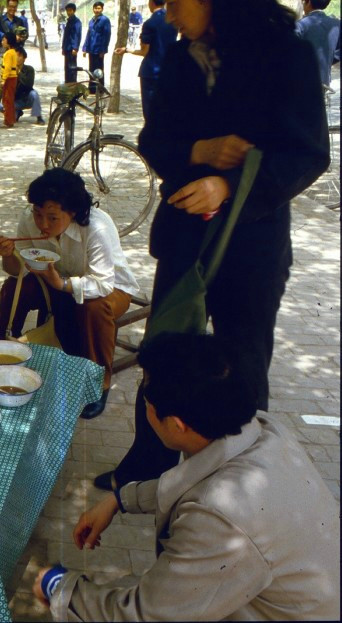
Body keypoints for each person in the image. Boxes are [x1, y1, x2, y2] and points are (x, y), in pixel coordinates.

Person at [95, 0, 330, 491]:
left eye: (178, 3)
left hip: (252, 244)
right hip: (185, 234)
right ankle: (146, 468)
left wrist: (228, 185)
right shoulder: (184, 58)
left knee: (242, 363)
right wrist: (197, 153)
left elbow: (308, 153)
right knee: (163, 353)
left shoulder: (287, 56)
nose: (170, 15)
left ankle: (239, 482)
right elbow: (154, 139)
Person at [33, 333, 341, 621]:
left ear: (177, 425)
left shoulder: (218, 519)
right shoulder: (263, 429)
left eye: (146, 400)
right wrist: (120, 499)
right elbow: (195, 480)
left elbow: (146, 614)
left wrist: (60, 587)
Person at [0, 168, 139, 419]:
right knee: (12, 289)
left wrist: (61, 284)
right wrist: (8, 256)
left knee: (93, 308)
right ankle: (1, 350)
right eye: (38, 214)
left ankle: (98, 384)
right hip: (56, 279)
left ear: (72, 211)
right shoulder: (29, 218)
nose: (42, 224)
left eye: (52, 217)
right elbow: (20, 272)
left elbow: (103, 284)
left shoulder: (96, 227)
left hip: (109, 289)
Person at [114, 0, 179, 120]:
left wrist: (127, 50)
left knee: (150, 113)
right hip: (169, 69)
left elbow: (144, 51)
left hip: (150, 72)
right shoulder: (173, 21)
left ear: (151, 3)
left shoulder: (150, 23)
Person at [0, 0, 26, 112]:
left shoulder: (20, 21)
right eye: (11, 6)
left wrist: (21, 38)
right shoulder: (0, 20)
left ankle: (11, 106)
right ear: (7, 6)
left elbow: (25, 35)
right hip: (3, 53)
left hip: (16, 53)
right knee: (1, 78)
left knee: (14, 79)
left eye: (15, 7)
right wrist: (11, 37)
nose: (13, 9)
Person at [296, 0, 341, 87]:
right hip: (324, 83)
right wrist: (330, 58)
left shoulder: (300, 25)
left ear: (308, 2)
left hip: (301, 83)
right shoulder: (337, 24)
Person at [0, 48, 45, 125]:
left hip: (26, 97)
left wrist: (18, 73)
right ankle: (17, 112)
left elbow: (28, 84)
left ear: (24, 58)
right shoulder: (9, 71)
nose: (17, 58)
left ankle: (39, 117)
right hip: (15, 100)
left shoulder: (29, 69)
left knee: (34, 94)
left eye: (19, 56)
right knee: (0, 106)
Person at [82, 2, 111, 94]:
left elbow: (107, 36)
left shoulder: (105, 20)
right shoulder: (91, 21)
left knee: (99, 70)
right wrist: (85, 48)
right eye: (95, 8)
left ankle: (100, 89)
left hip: (99, 50)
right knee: (91, 69)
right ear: (93, 9)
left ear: (102, 9)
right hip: (91, 49)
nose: (97, 10)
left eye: (99, 8)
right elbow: (88, 35)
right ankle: (92, 89)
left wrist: (103, 50)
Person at [0, 33, 24, 128]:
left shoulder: (8, 53)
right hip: (13, 77)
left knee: (7, 100)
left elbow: (7, 68)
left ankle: (8, 121)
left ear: (9, 41)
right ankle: (10, 119)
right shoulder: (13, 52)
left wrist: (3, 79)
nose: (2, 42)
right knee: (8, 99)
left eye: (4, 40)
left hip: (9, 78)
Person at [61, 3, 82, 83]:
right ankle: (67, 83)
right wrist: (63, 48)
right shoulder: (69, 21)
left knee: (72, 68)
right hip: (67, 48)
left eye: (70, 10)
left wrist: (75, 48)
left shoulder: (76, 22)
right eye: (67, 11)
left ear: (74, 11)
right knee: (67, 68)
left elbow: (77, 35)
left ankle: (72, 84)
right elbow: (65, 36)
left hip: (72, 49)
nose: (68, 12)